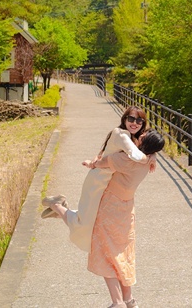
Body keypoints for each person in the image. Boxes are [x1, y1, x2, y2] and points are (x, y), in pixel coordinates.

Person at [44, 107, 165, 308]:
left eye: (142, 130)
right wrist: (152, 156)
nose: (138, 130)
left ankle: (117, 302)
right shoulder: (148, 161)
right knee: (124, 252)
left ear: (144, 141)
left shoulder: (125, 158)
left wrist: (91, 163)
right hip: (127, 209)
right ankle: (129, 300)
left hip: (109, 206)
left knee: (104, 251)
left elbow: (102, 162)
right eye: (132, 120)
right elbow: (141, 155)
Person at [41, 106, 154, 253]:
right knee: (85, 224)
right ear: (125, 119)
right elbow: (135, 155)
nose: (135, 123)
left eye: (139, 120)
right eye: (131, 119)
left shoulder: (134, 137)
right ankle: (57, 206)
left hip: (107, 185)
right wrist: (149, 159)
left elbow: (154, 142)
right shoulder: (121, 134)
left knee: (93, 219)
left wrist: (154, 155)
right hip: (97, 182)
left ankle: (63, 211)